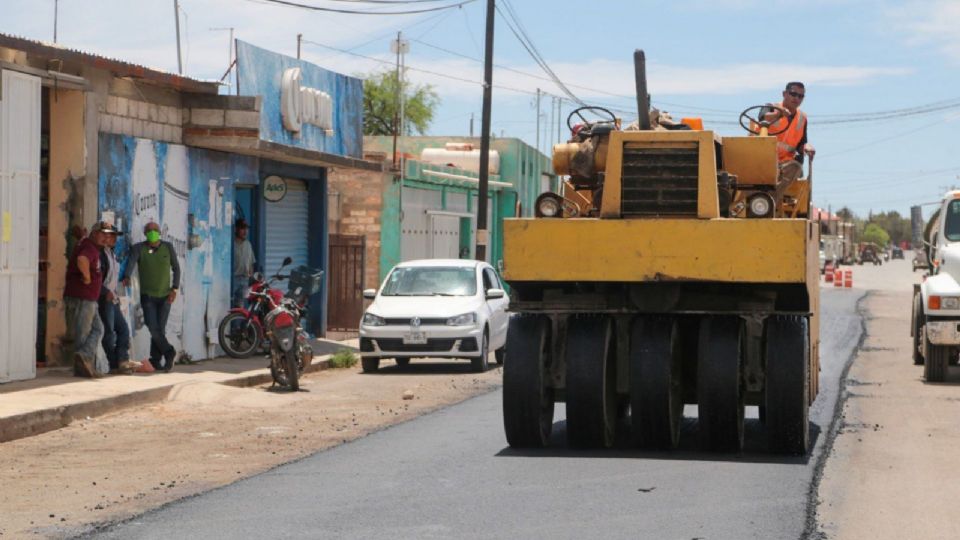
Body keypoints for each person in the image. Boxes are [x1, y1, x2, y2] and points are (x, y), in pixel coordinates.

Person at [122, 221, 181, 372]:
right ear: (145, 233)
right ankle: (169, 352)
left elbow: (176, 268)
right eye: (149, 230)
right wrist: (127, 276)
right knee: (153, 329)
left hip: (165, 296)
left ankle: (155, 360)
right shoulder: (139, 248)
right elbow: (131, 263)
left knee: (159, 329)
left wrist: (174, 288)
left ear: (160, 232)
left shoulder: (168, 247)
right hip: (148, 296)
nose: (152, 232)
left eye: (155, 230)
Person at [64, 223, 109, 378]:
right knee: (84, 333)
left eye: (107, 235)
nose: (106, 238)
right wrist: (87, 276)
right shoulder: (89, 248)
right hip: (83, 297)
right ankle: (82, 365)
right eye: (103, 234)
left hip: (88, 298)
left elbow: (81, 238)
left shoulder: (86, 243)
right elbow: (82, 260)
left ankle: (84, 358)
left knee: (98, 329)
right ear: (94, 233)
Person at [763, 82, 816, 204]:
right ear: (784, 94)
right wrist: (778, 113)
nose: (796, 98)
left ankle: (769, 202)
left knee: (796, 167)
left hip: (785, 165)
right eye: (793, 94)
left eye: (800, 96)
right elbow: (764, 118)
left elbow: (802, 143)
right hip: (762, 159)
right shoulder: (771, 107)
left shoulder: (802, 118)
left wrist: (807, 147)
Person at [97, 222, 134, 374]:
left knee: (123, 330)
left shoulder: (111, 253)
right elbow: (96, 279)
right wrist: (106, 292)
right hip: (104, 298)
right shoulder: (100, 254)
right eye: (109, 235)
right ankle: (114, 364)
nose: (113, 239)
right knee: (109, 333)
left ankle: (122, 360)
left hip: (113, 298)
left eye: (113, 236)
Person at [232, 218, 256, 307]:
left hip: (245, 280)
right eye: (242, 228)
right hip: (234, 279)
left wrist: (251, 279)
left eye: (246, 229)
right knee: (228, 304)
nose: (245, 231)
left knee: (240, 307)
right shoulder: (232, 243)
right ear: (236, 229)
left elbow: (251, 263)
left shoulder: (248, 244)